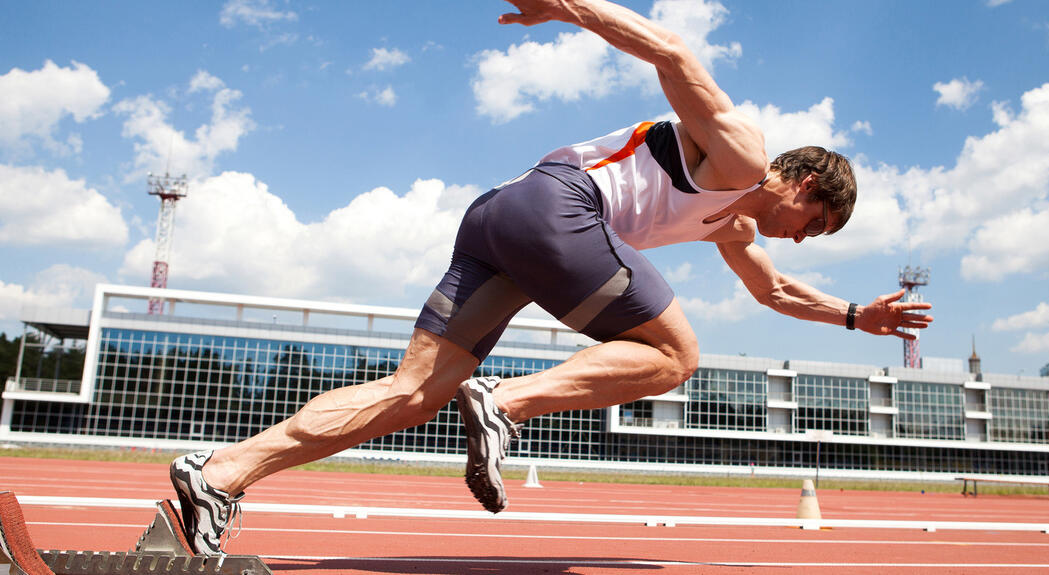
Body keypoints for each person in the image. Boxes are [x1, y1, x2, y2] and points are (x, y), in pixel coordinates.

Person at [169, 0, 933, 555]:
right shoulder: (741, 155)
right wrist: (567, 6)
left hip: (500, 221)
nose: (801, 238)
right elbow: (672, 51)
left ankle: (224, 472)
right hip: (560, 208)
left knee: (411, 392)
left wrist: (853, 315)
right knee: (675, 355)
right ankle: (504, 402)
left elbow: (771, 292)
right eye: (814, 224)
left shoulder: (730, 223)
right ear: (805, 185)